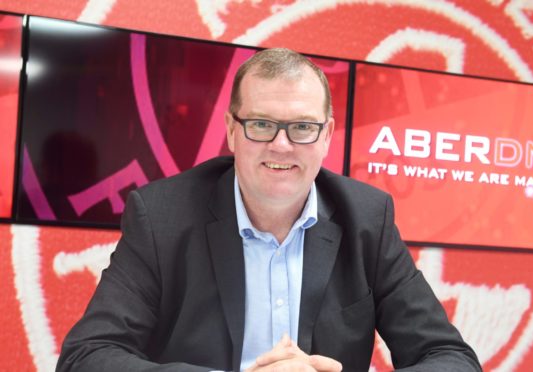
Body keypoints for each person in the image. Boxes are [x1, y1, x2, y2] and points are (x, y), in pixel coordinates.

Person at [57, 48, 481, 372]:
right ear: (231, 131)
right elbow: (86, 356)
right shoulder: (162, 215)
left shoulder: (368, 218)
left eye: (302, 127)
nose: (281, 145)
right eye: (261, 124)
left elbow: (451, 357)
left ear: (327, 135)